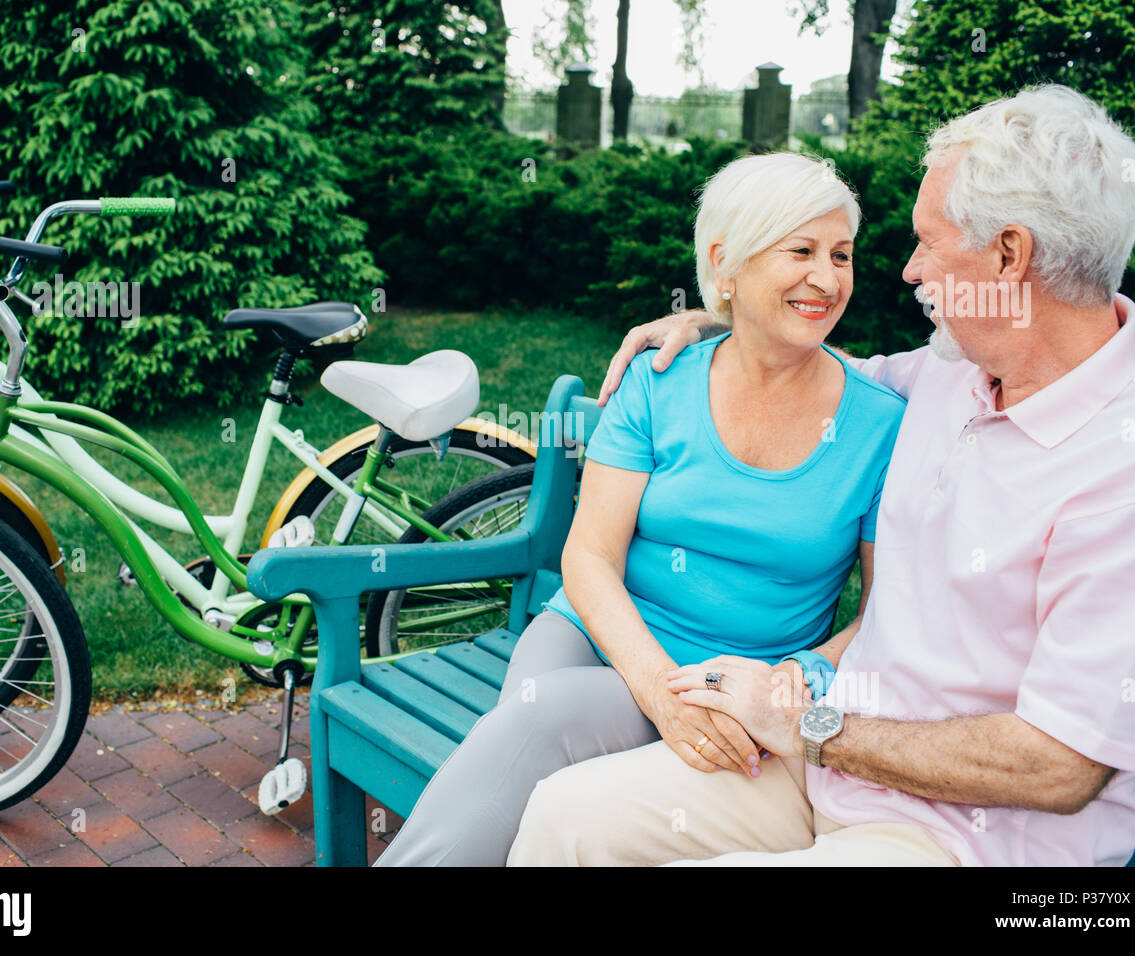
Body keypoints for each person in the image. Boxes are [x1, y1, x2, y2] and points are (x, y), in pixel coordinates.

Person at [506, 84, 1135, 868]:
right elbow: (807, 364)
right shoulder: (950, 373)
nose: (908, 269)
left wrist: (810, 727)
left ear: (1008, 254)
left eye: (930, 241)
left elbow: (1060, 766)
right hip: (825, 772)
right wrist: (717, 316)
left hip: (959, 836)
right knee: (566, 820)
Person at [374, 152, 907, 866]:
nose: (828, 277)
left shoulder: (879, 424)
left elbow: (885, 610)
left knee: (538, 769)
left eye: (841, 254)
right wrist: (658, 689)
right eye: (801, 250)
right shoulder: (660, 385)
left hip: (739, 686)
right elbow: (590, 556)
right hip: (595, 637)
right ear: (726, 262)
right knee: (539, 721)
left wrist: (796, 678)